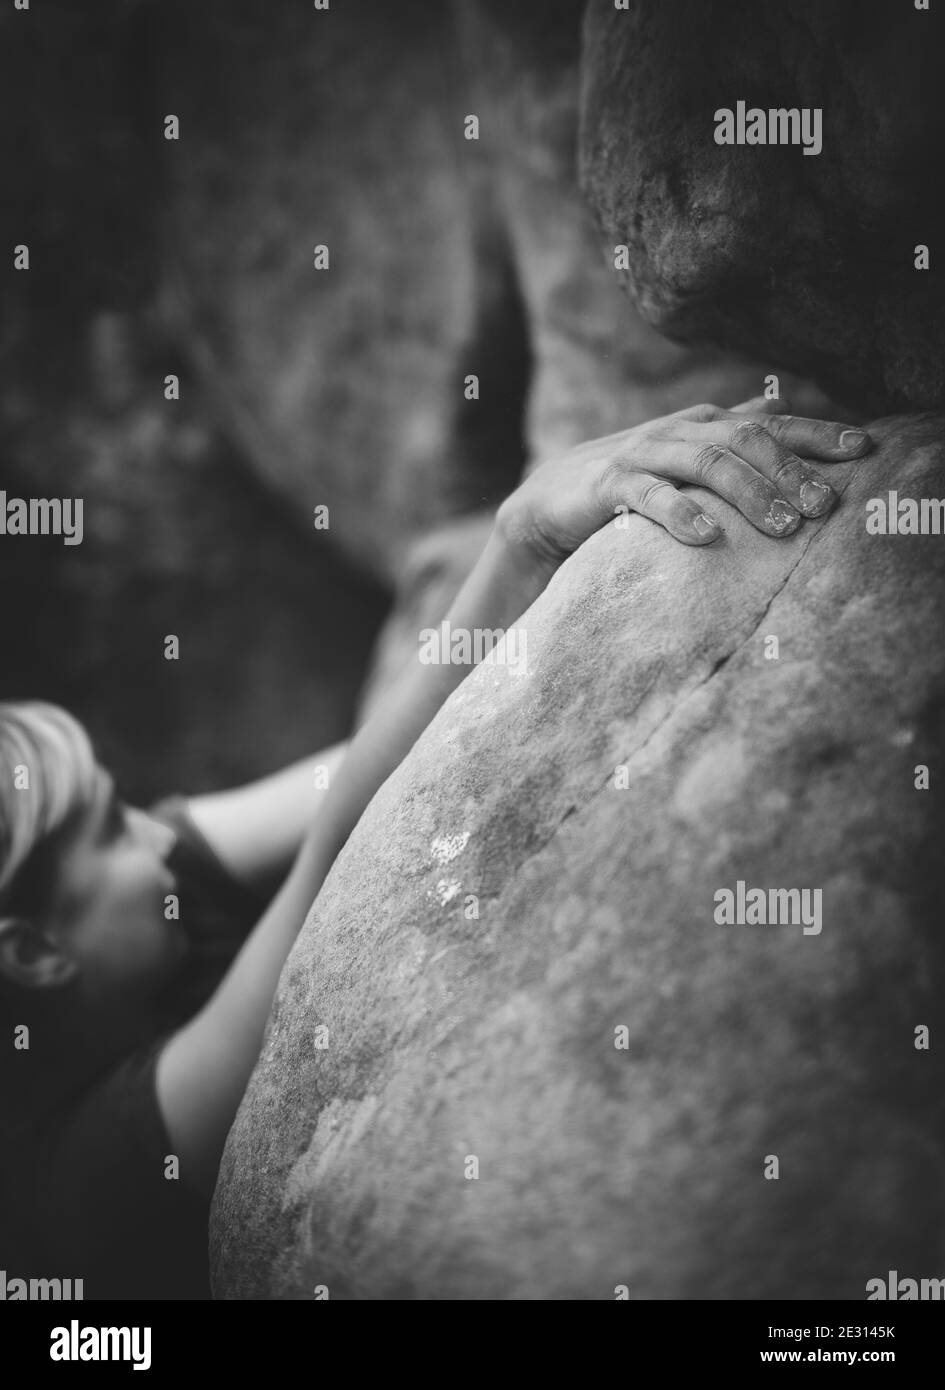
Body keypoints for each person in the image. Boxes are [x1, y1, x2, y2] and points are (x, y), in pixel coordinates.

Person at [0, 399, 871, 1298]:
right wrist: (521, 541)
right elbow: (338, 842)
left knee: (439, 583)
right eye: (112, 826)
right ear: (32, 951)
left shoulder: (146, 888)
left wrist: (515, 587)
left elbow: (347, 770)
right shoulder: (83, 1187)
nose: (158, 829)